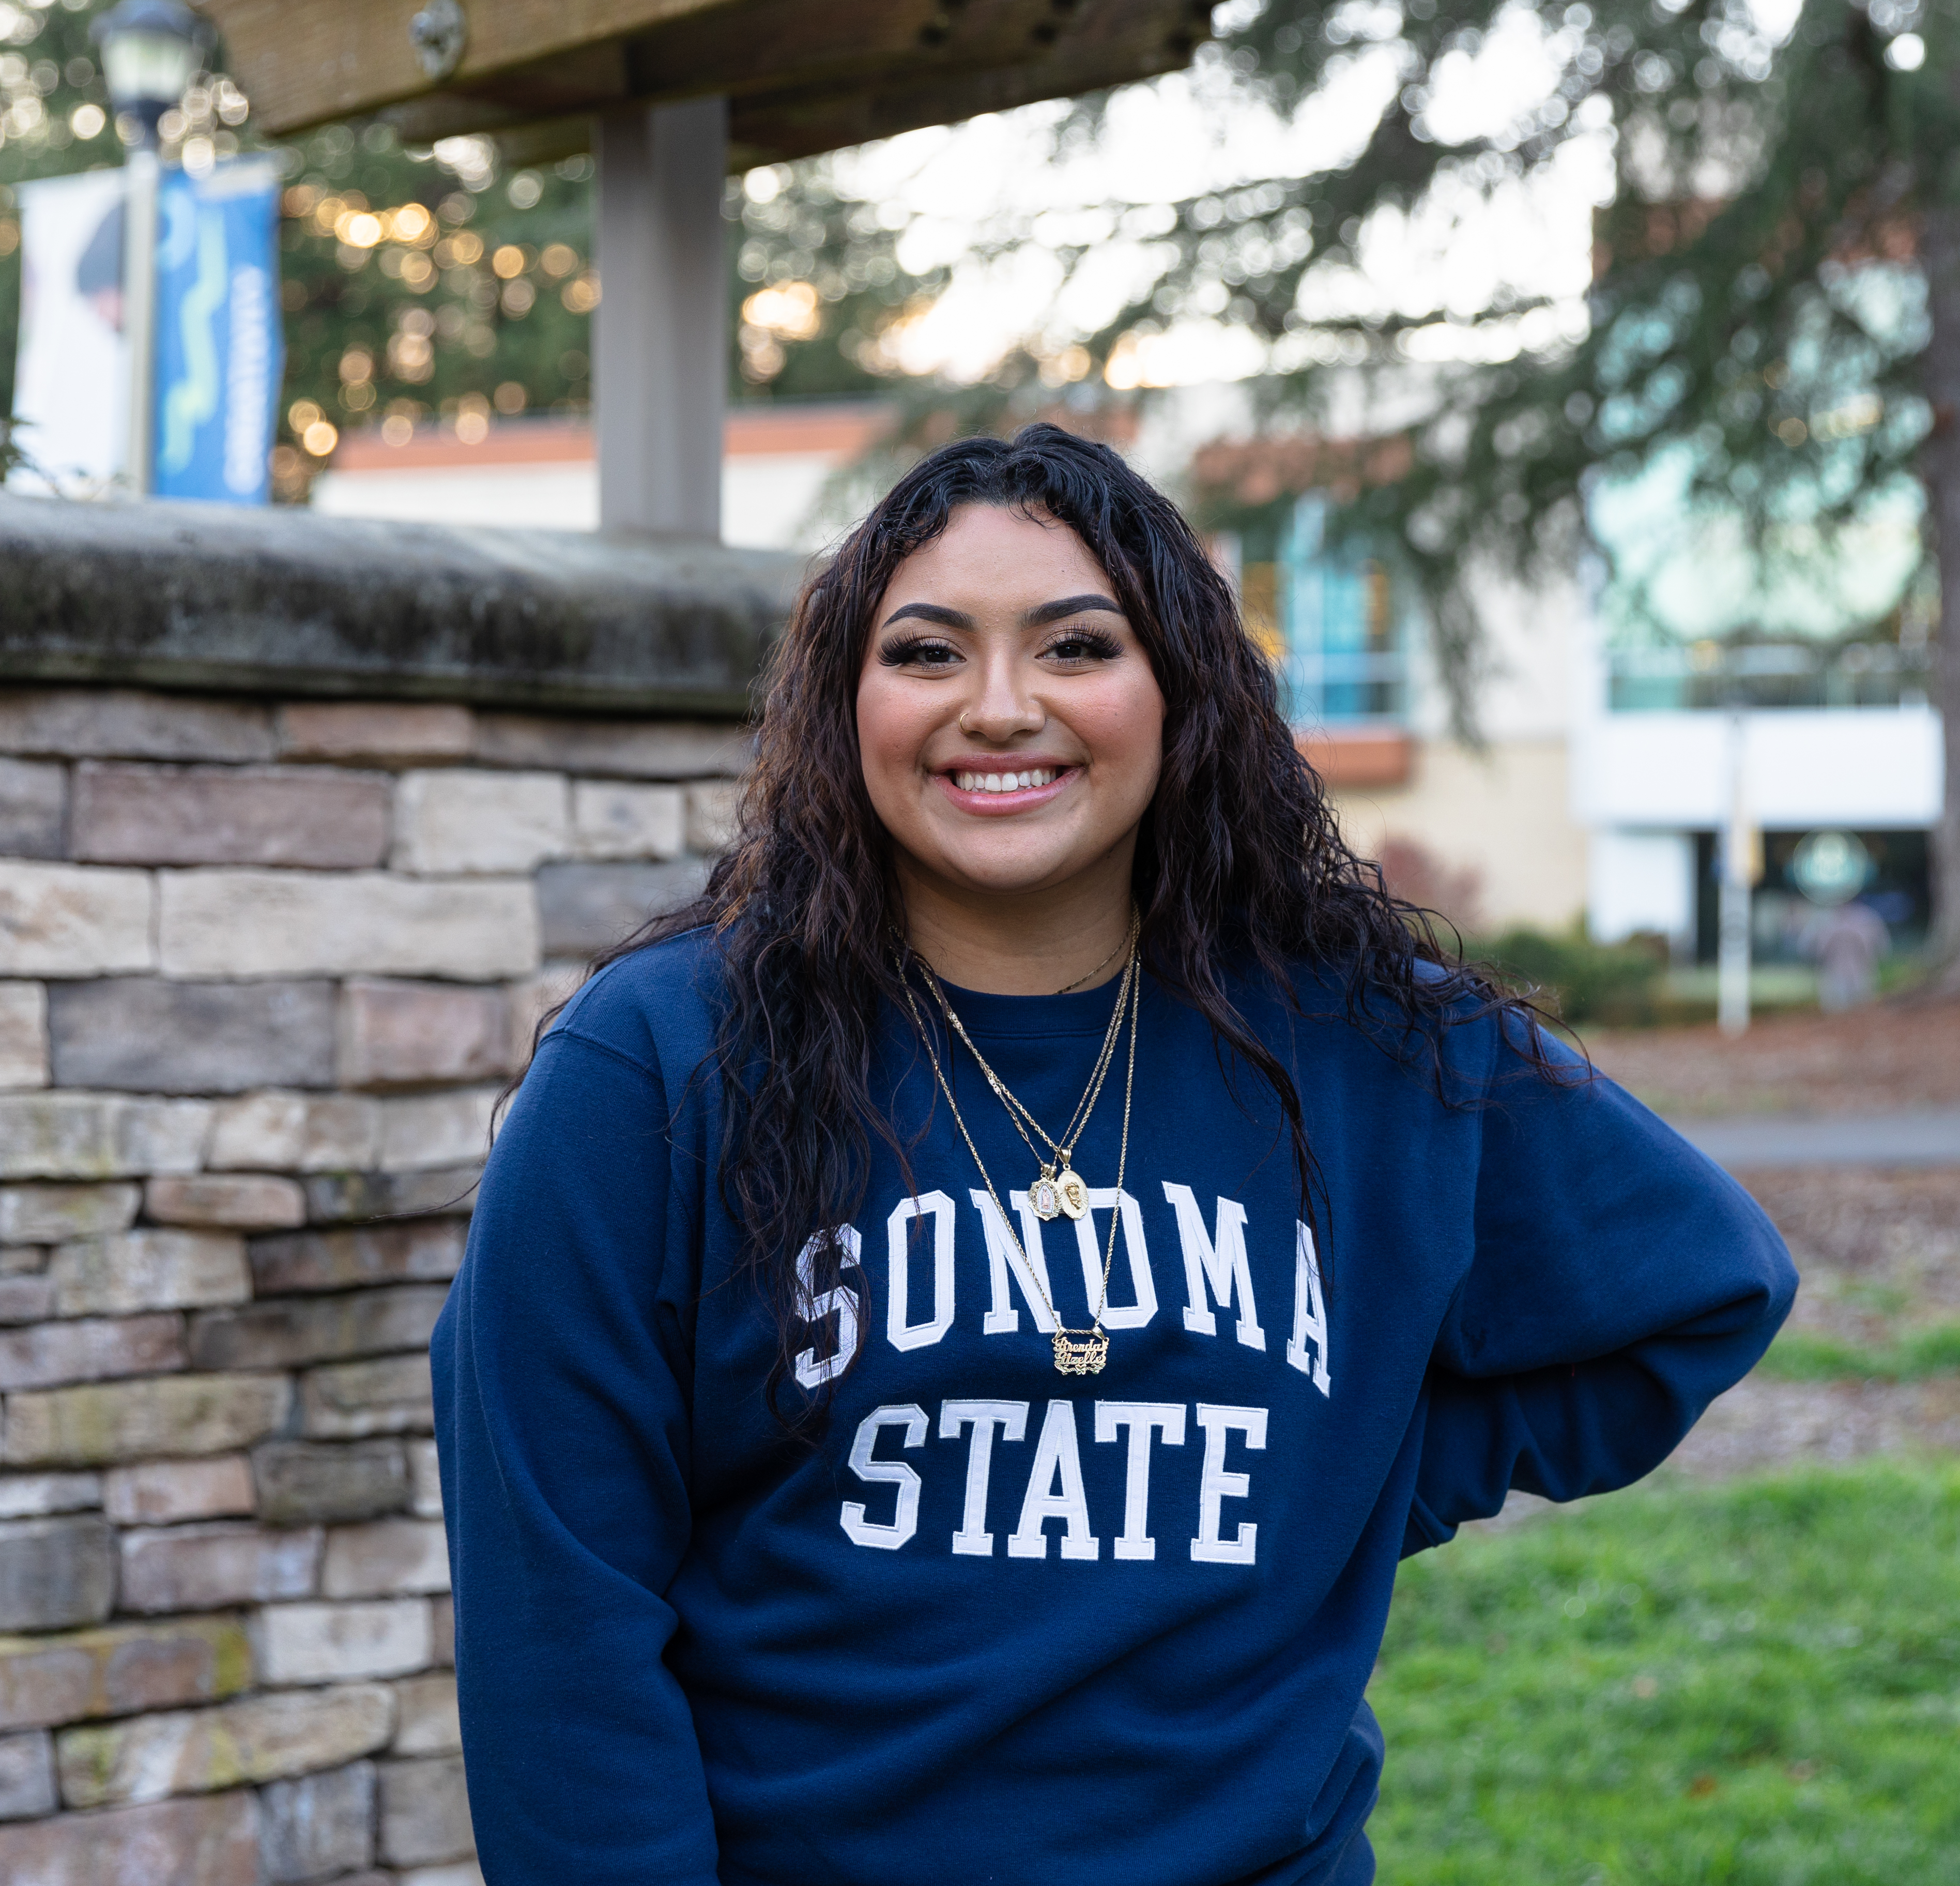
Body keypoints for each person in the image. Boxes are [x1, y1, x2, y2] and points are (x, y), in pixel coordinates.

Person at [431, 424, 1797, 1885]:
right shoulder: (663, 1062)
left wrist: (1340, 1491)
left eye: (1077, 646)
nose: (1000, 708)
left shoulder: (1368, 1043)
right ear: (846, 706)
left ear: (1181, 692)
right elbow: (556, 1616)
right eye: (927, 654)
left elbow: (1702, 1288)